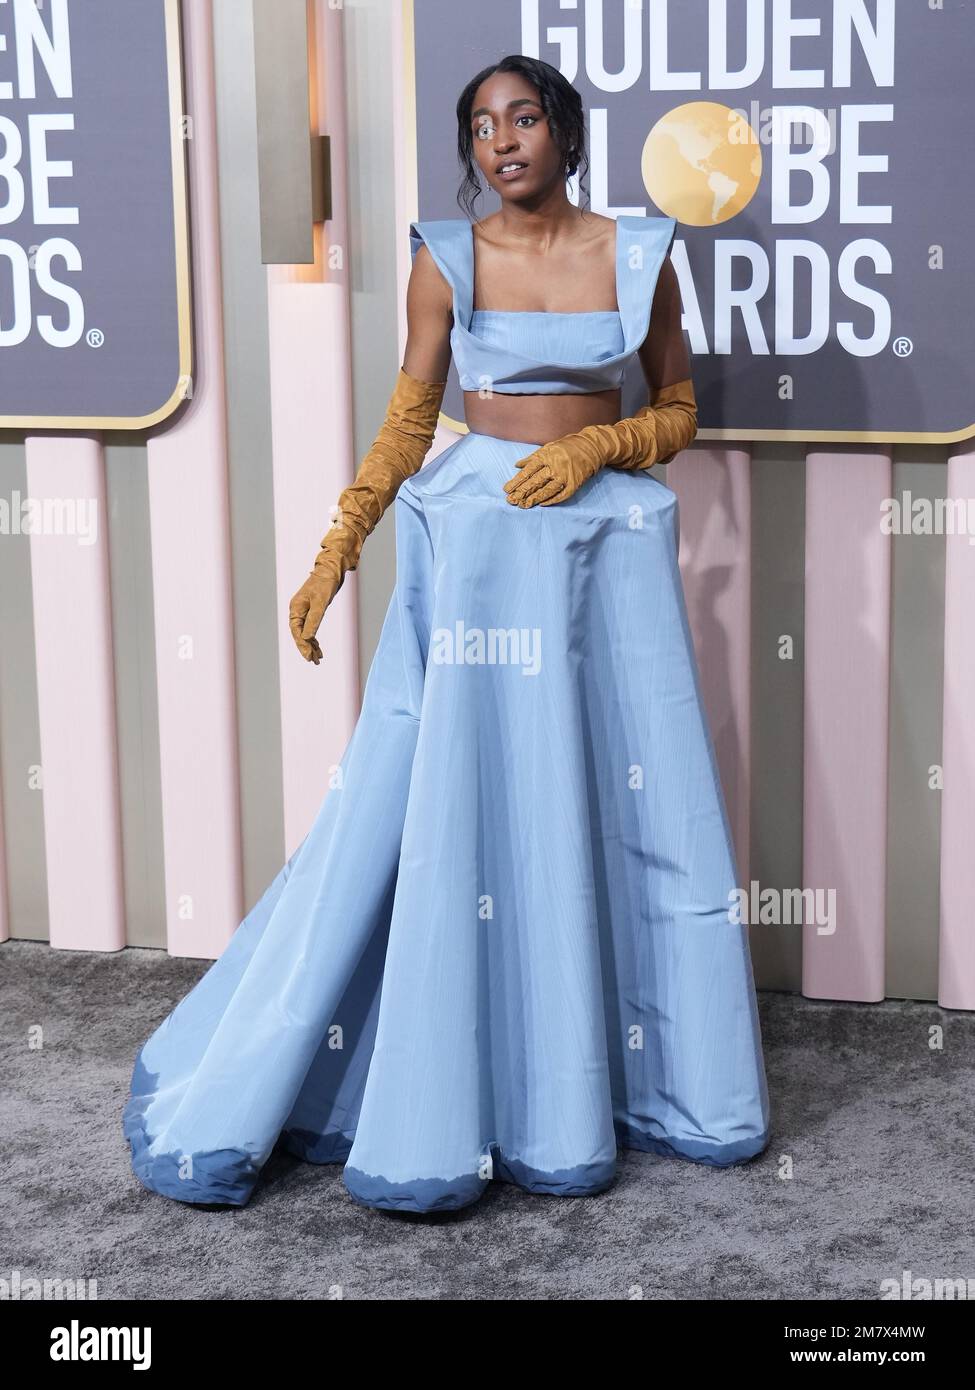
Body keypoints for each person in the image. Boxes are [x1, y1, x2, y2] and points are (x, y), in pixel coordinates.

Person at [124, 54, 770, 1215]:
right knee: (464, 802)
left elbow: (675, 407)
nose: (502, 141)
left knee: (624, 800)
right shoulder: (445, 256)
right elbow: (408, 420)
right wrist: (336, 551)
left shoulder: (638, 254)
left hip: (599, 549)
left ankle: (633, 1079)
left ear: (568, 136)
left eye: (524, 119)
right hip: (475, 546)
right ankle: (455, 1086)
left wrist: (595, 449)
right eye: (481, 126)